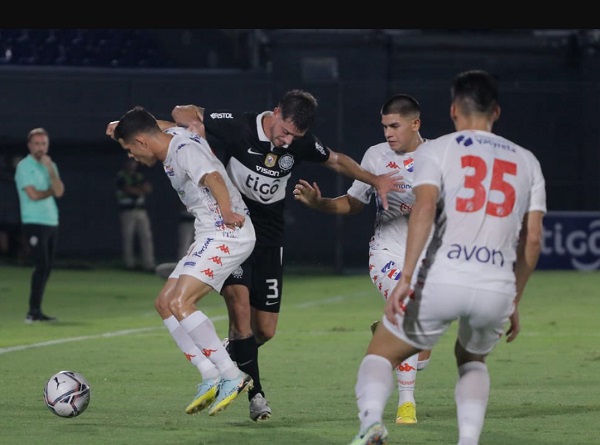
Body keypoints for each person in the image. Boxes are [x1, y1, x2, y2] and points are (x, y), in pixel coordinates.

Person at [170, 89, 402, 421]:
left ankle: (227, 352)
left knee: (264, 330)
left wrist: (375, 179)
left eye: (295, 136)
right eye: (285, 132)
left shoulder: (299, 142)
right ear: (276, 112)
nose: (287, 141)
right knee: (239, 310)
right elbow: (183, 110)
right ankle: (256, 395)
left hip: (269, 236)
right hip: (234, 230)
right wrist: (194, 126)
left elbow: (336, 159)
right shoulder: (239, 125)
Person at [347, 69, 546, 445]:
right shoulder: (527, 161)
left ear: (454, 110)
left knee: (381, 353)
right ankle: (467, 440)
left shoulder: (438, 150)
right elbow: (532, 240)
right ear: (497, 112)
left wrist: (408, 276)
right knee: (471, 360)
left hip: (444, 273)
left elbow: (423, 210)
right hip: (494, 281)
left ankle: (371, 421)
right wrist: (513, 298)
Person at [106, 106, 256, 417]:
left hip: (227, 233)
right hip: (209, 233)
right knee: (164, 303)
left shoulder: (183, 150)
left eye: (130, 149)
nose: (131, 156)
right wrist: (122, 124)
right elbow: (156, 124)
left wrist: (227, 212)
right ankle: (209, 373)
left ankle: (232, 375)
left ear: (141, 142)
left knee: (181, 302)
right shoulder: (170, 135)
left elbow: (213, 176)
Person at [293, 94, 432, 425]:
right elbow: (353, 204)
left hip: (428, 260)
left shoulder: (441, 157)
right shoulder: (376, 156)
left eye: (395, 126)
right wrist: (320, 203)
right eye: (384, 126)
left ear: (415, 124)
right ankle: (406, 403)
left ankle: (386, 334)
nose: (388, 133)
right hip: (386, 253)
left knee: (420, 349)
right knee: (406, 309)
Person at [14, 128, 65, 323]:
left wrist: (50, 169)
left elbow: (59, 191)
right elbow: (33, 195)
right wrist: (50, 190)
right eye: (36, 144)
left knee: (47, 267)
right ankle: (32, 311)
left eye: (43, 144)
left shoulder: (50, 165)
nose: (40, 148)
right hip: (33, 221)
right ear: (29, 146)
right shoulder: (24, 166)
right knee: (41, 265)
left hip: (51, 220)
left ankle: (36, 311)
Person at [115, 158, 156, 271]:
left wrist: (138, 189)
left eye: (134, 162)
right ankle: (129, 264)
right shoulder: (121, 176)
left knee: (146, 236)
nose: (132, 164)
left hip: (141, 210)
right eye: (130, 162)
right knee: (128, 237)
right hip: (127, 210)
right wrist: (139, 190)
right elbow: (127, 189)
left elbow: (148, 188)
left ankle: (149, 264)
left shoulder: (139, 176)